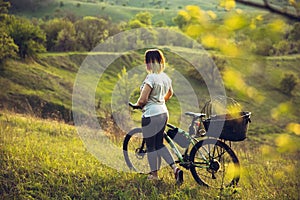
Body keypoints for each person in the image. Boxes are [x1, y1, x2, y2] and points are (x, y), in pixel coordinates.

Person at [133, 49, 183, 184]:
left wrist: (137, 105)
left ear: (149, 63)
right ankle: (175, 169)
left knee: (150, 147)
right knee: (159, 144)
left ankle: (154, 175)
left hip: (151, 114)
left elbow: (143, 100)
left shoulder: (150, 78)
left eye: (146, 62)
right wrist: (159, 101)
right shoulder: (166, 77)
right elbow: (170, 94)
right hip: (163, 113)